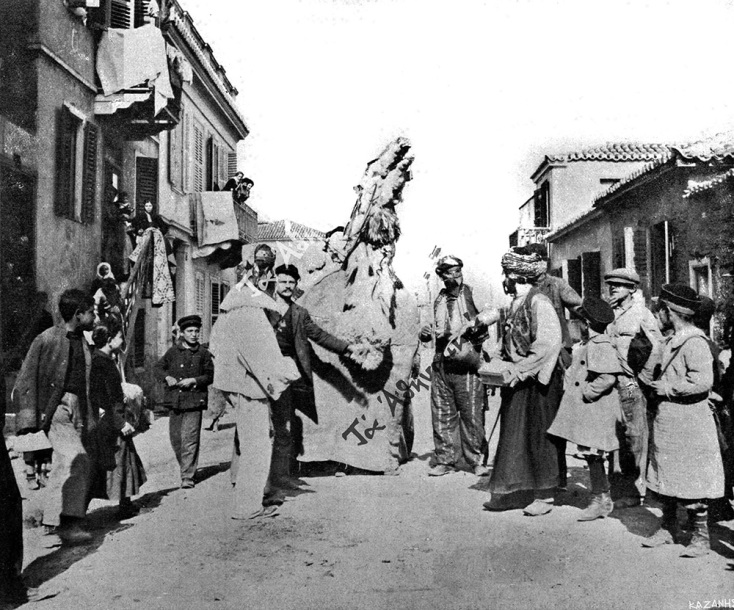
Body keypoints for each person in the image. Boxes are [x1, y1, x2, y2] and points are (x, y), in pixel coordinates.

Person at [642, 284, 725, 557]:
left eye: (660, 310)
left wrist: (666, 388)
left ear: (669, 311)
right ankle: (668, 528)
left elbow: (702, 381)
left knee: (692, 480)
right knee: (666, 474)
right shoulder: (671, 340)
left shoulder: (694, 342)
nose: (658, 314)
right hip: (669, 420)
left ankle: (700, 537)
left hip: (689, 420)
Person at [483, 247, 562, 515]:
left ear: (514, 276)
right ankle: (514, 490)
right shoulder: (515, 303)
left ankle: (544, 496)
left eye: (506, 275)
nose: (504, 280)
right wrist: (496, 358)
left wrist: (521, 370)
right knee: (514, 437)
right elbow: (508, 338)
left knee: (539, 437)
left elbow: (548, 345)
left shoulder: (540, 302)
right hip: (516, 381)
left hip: (537, 383)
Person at [13, 289, 96, 543]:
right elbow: (25, 379)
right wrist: (29, 420)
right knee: (74, 458)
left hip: (80, 407)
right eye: (91, 312)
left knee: (76, 462)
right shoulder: (46, 339)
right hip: (56, 407)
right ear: (78, 314)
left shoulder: (84, 340)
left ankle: (62, 520)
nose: (95, 316)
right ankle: (61, 524)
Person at [267, 264, 359, 493]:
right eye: (283, 281)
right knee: (257, 427)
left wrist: (347, 349)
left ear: (296, 285)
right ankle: (247, 476)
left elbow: (319, 335)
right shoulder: (263, 308)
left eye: (291, 282)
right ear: (274, 282)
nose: (287, 286)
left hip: (287, 377)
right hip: (261, 372)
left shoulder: (299, 313)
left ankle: (280, 476)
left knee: (284, 427)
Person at [548, 297, 621, 521]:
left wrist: (587, 391)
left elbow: (607, 377)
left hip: (595, 409)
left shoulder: (600, 345)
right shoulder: (591, 344)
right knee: (591, 454)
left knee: (594, 454)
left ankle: (600, 499)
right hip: (589, 409)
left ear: (586, 323)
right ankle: (601, 497)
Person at [419, 255, 489, 477]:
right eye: (449, 272)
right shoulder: (438, 299)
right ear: (441, 275)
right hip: (441, 362)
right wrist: (426, 333)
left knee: (471, 414)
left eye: (458, 270)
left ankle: (476, 459)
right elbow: (428, 328)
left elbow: (485, 323)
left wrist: (464, 332)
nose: (455, 275)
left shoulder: (471, 293)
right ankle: (445, 459)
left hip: (466, 362)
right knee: (442, 412)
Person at [604, 268, 663, 508]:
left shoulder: (642, 314)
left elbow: (657, 347)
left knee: (633, 433)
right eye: (611, 285)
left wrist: (643, 378)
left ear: (632, 289)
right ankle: (618, 486)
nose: (613, 288)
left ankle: (635, 488)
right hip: (610, 382)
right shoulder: (607, 314)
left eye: (619, 285)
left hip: (630, 383)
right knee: (613, 433)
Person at [87, 320, 146, 519]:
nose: (123, 340)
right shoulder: (101, 363)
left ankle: (125, 504)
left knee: (123, 460)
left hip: (110, 417)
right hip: (110, 420)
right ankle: (76, 512)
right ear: (110, 340)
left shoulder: (104, 359)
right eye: (120, 337)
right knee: (112, 463)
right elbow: (105, 398)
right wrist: (121, 422)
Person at [154, 315, 213, 488]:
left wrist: (194, 380)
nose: (194, 334)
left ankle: (187, 475)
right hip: (176, 400)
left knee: (190, 438)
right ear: (182, 333)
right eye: (190, 331)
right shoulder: (173, 352)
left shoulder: (203, 353)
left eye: (196, 331)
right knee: (176, 439)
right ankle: (186, 467)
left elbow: (210, 375)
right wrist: (167, 377)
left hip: (195, 400)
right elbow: (158, 368)